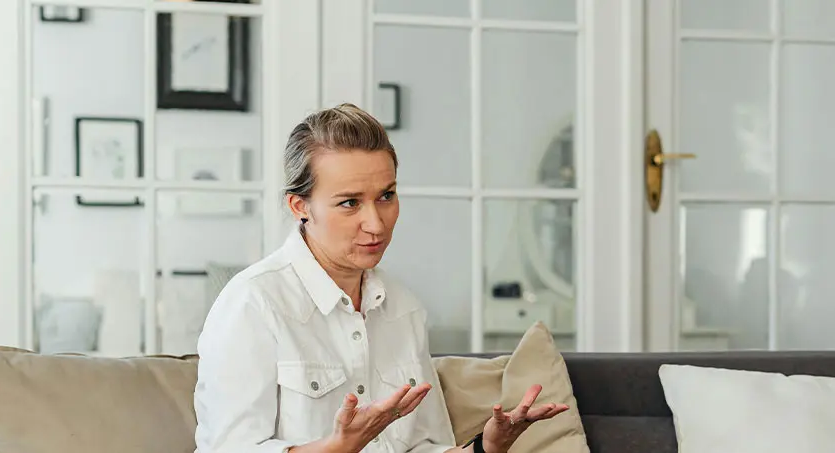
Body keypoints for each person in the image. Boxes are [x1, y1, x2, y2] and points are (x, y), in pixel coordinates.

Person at [194, 104, 568, 452]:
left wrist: (484, 448)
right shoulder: (252, 303)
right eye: (350, 203)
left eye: (386, 196)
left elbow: (424, 445)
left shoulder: (404, 308)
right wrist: (336, 448)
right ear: (300, 207)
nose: (376, 224)